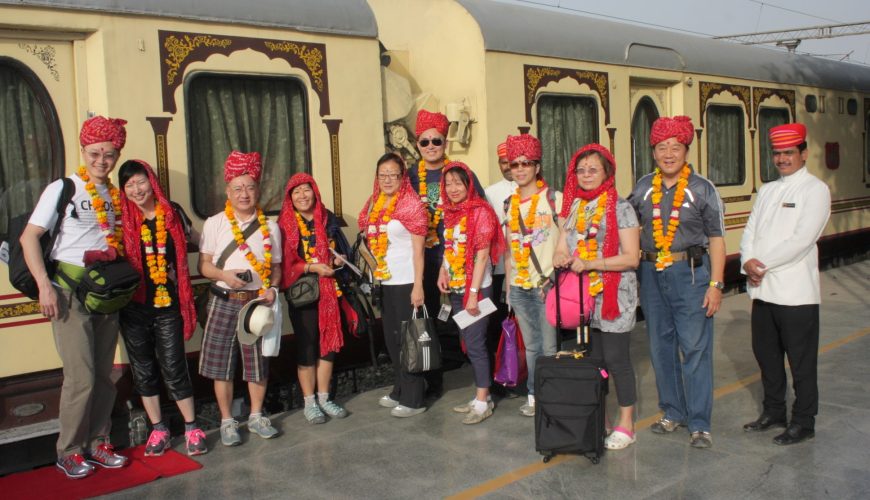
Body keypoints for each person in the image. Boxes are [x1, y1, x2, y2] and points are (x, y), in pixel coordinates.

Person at [20, 116, 130, 478]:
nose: (102, 160)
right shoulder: (63, 188)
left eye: (110, 154)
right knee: (80, 377)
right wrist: (44, 285)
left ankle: (98, 442)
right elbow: (29, 237)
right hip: (69, 294)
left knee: (102, 376)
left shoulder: (114, 194)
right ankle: (68, 450)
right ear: (83, 151)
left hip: (106, 295)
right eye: (96, 153)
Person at [628, 115, 725, 449]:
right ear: (653, 152)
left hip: (693, 275)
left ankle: (699, 423)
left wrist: (716, 284)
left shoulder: (702, 189)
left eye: (676, 147)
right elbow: (624, 226)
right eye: (661, 147)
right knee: (660, 347)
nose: (668, 153)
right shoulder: (642, 188)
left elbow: (717, 239)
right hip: (652, 276)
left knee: (695, 348)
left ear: (686, 150)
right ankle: (672, 411)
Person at [740, 123, 830, 446]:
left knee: (801, 361)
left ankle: (804, 420)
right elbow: (750, 231)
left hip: (796, 293)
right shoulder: (767, 190)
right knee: (766, 355)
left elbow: (802, 240)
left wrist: (760, 265)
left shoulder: (815, 190)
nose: (782, 159)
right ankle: (774, 410)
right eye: (777, 153)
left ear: (803, 154)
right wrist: (746, 260)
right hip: (763, 291)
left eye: (789, 152)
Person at [116, 160, 207, 457]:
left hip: (168, 304)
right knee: (143, 369)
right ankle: (159, 429)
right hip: (133, 307)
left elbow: (199, 240)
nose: (136, 189)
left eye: (140, 182)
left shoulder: (173, 212)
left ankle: (192, 427)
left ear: (151, 181)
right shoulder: (120, 219)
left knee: (174, 365)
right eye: (129, 185)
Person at [553, 144, 640, 450]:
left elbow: (631, 258)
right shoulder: (576, 206)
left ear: (607, 172)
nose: (586, 175)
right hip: (585, 298)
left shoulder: (621, 207)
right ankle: (601, 417)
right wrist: (561, 256)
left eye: (593, 169)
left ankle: (627, 422)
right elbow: (562, 245)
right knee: (596, 360)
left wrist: (590, 263)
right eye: (581, 170)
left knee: (617, 360)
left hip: (615, 295)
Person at [198, 150, 282, 446]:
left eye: (250, 187)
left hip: (256, 304)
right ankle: (226, 421)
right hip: (223, 299)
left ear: (258, 189)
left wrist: (272, 289)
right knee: (221, 362)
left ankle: (257, 416)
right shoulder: (215, 223)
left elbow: (276, 268)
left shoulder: (271, 227)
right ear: (227, 191)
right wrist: (224, 276)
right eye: (238, 188)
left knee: (257, 362)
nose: (244, 194)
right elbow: (204, 265)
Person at [406, 109, 485, 401]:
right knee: (425, 319)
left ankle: (485, 380)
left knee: (468, 320)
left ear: (445, 143)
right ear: (417, 145)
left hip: (456, 258)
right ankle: (432, 379)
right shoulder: (410, 176)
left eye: (435, 141)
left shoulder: (460, 174)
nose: (430, 147)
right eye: (424, 142)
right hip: (421, 260)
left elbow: (480, 212)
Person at [358, 152, 428, 417]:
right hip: (384, 282)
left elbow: (419, 252)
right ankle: (400, 387)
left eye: (393, 174)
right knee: (392, 339)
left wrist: (418, 286)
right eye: (382, 175)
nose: (387, 179)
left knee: (410, 340)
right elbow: (367, 235)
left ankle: (414, 398)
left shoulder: (412, 205)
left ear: (403, 177)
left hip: (407, 281)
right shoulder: (374, 203)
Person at [279, 173, 352, 424]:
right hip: (303, 294)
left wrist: (337, 259)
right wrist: (311, 267)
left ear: (315, 191)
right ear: (290, 197)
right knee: (307, 347)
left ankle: (324, 398)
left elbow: (343, 249)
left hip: (329, 291)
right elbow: (285, 263)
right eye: (296, 192)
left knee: (328, 345)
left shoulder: (327, 217)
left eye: (306, 190)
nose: (302, 196)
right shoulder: (285, 223)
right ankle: (309, 402)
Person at [437, 162, 505, 424]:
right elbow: (449, 247)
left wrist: (474, 293)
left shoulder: (481, 212)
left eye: (458, 183)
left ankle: (482, 401)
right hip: (457, 288)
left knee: (475, 343)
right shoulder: (451, 213)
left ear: (469, 185)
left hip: (477, 289)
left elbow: (482, 255)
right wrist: (442, 271)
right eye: (449, 183)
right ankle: (483, 395)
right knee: (469, 341)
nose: (453, 189)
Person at [502, 133, 562, 417]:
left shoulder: (553, 199)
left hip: (547, 285)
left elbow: (567, 240)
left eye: (526, 163)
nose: (520, 169)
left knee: (549, 346)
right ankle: (534, 394)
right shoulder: (508, 205)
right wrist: (508, 286)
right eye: (515, 164)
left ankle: (550, 394)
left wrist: (554, 278)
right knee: (531, 347)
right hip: (519, 287)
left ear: (537, 167)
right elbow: (508, 250)